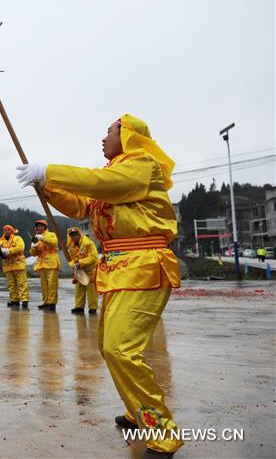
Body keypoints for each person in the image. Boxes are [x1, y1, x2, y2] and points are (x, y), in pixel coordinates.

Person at [16, 113, 183, 456]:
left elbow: (96, 185)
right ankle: (138, 412)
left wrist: (49, 171)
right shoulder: (115, 175)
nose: (103, 138)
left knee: (121, 349)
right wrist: (46, 187)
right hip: (120, 269)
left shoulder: (142, 166)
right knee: (110, 346)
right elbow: (82, 204)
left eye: (109, 131)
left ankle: (162, 430)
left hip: (144, 265)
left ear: (130, 136)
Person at [67, 227, 99, 314]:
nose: (74, 237)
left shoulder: (88, 243)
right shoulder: (70, 246)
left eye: (75, 235)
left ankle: (93, 308)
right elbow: (71, 259)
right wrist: (73, 265)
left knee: (91, 290)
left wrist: (80, 263)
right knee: (79, 288)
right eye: (72, 235)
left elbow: (93, 257)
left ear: (79, 234)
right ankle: (79, 307)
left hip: (90, 270)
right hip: (79, 271)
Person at [30, 219, 60, 311]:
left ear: (44, 227)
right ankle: (46, 302)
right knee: (44, 285)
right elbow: (33, 254)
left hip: (51, 262)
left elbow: (53, 243)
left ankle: (51, 303)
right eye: (37, 226)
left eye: (40, 226)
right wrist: (33, 247)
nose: (38, 227)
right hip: (42, 264)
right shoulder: (36, 238)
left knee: (52, 284)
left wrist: (42, 238)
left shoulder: (51, 234)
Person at [0, 225, 28, 308]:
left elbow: (21, 248)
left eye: (8, 230)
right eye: (5, 230)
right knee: (11, 284)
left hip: (18, 264)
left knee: (22, 283)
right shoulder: (1, 241)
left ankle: (24, 300)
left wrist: (10, 251)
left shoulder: (18, 238)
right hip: (8, 266)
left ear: (12, 231)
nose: (7, 231)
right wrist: (2, 253)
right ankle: (14, 300)